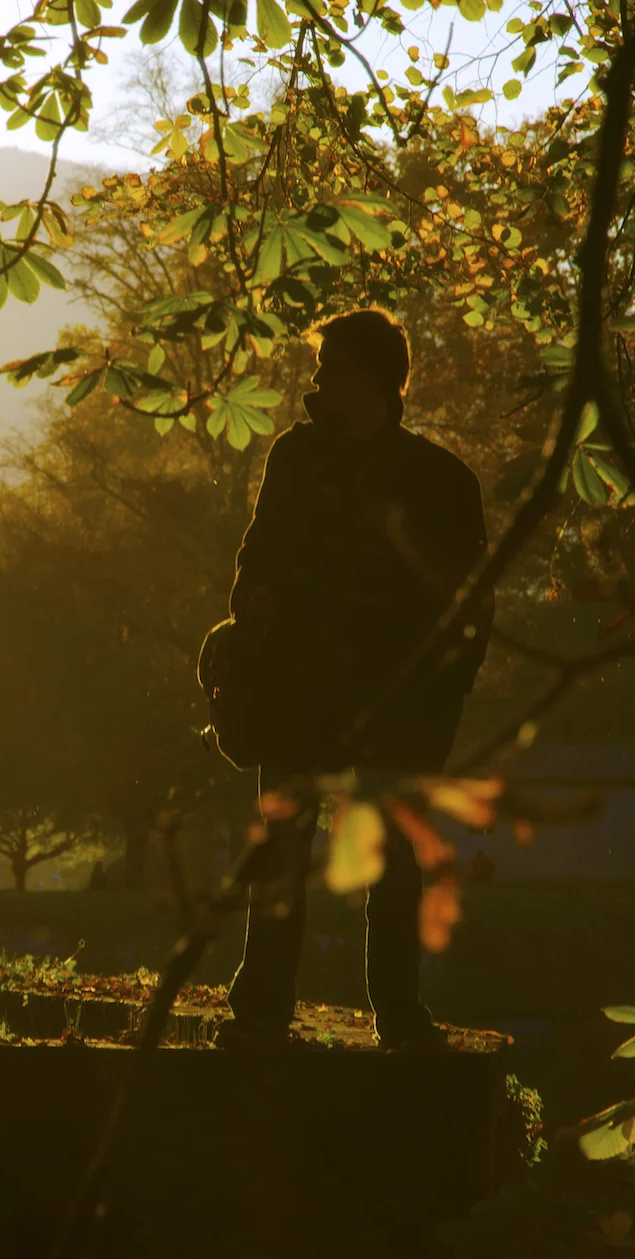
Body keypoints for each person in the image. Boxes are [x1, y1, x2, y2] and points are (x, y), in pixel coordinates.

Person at [215, 308, 491, 1052]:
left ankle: (393, 1010)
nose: (315, 379)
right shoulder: (297, 459)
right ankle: (266, 1003)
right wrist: (257, 601)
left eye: (328, 365)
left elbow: (467, 609)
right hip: (303, 696)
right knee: (282, 851)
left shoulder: (440, 482)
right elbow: (255, 559)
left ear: (371, 380)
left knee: (393, 866)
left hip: (395, 705)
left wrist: (437, 703)